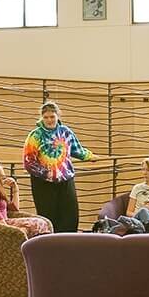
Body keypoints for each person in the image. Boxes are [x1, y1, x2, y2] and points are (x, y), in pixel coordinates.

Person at [22, 100, 95, 233]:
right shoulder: (35, 135)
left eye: (52, 117)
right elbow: (28, 162)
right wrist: (46, 173)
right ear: (42, 118)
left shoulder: (65, 132)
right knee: (48, 215)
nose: (49, 120)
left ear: (58, 116)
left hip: (65, 179)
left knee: (70, 215)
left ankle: (68, 246)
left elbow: (77, 150)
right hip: (43, 183)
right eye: (46, 117)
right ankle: (50, 246)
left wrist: (90, 156)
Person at [0, 158, 53, 238]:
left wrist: (15, 188)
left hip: (3, 222)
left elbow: (15, 209)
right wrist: (7, 229)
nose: (1, 167)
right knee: (39, 223)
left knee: (40, 223)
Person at [100, 157, 149, 233]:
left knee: (143, 212)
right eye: (143, 169)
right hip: (138, 221)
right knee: (141, 213)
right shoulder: (137, 188)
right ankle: (132, 226)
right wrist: (140, 215)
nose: (144, 173)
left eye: (148, 170)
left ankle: (114, 226)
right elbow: (129, 212)